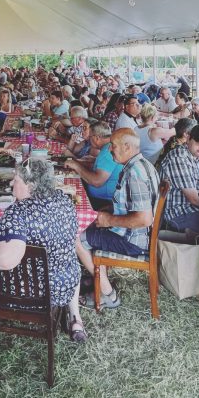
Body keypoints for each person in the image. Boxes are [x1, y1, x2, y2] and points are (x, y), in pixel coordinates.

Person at [0, 157, 86, 341]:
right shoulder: (65, 201)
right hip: (64, 287)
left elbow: (6, 261)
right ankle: (75, 317)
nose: (11, 182)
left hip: (27, 294)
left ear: (30, 185)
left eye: (16, 179)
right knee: (69, 255)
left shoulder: (17, 214)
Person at [76, 128, 159, 309]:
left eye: (113, 146)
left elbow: (144, 219)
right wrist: (106, 210)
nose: (110, 149)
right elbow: (130, 204)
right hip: (131, 233)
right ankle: (97, 276)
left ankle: (108, 295)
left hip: (133, 240)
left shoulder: (135, 173)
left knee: (78, 239)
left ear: (127, 147)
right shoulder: (140, 164)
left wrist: (109, 220)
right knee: (88, 225)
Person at [159, 125, 199, 234]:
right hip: (178, 214)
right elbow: (194, 199)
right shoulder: (179, 157)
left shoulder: (195, 156)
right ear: (188, 138)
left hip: (190, 210)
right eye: (198, 142)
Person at [64, 122, 122, 209]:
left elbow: (97, 182)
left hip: (102, 200)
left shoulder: (107, 152)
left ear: (96, 138)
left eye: (90, 137)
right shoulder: (108, 147)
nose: (89, 140)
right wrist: (94, 161)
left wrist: (76, 165)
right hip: (100, 196)